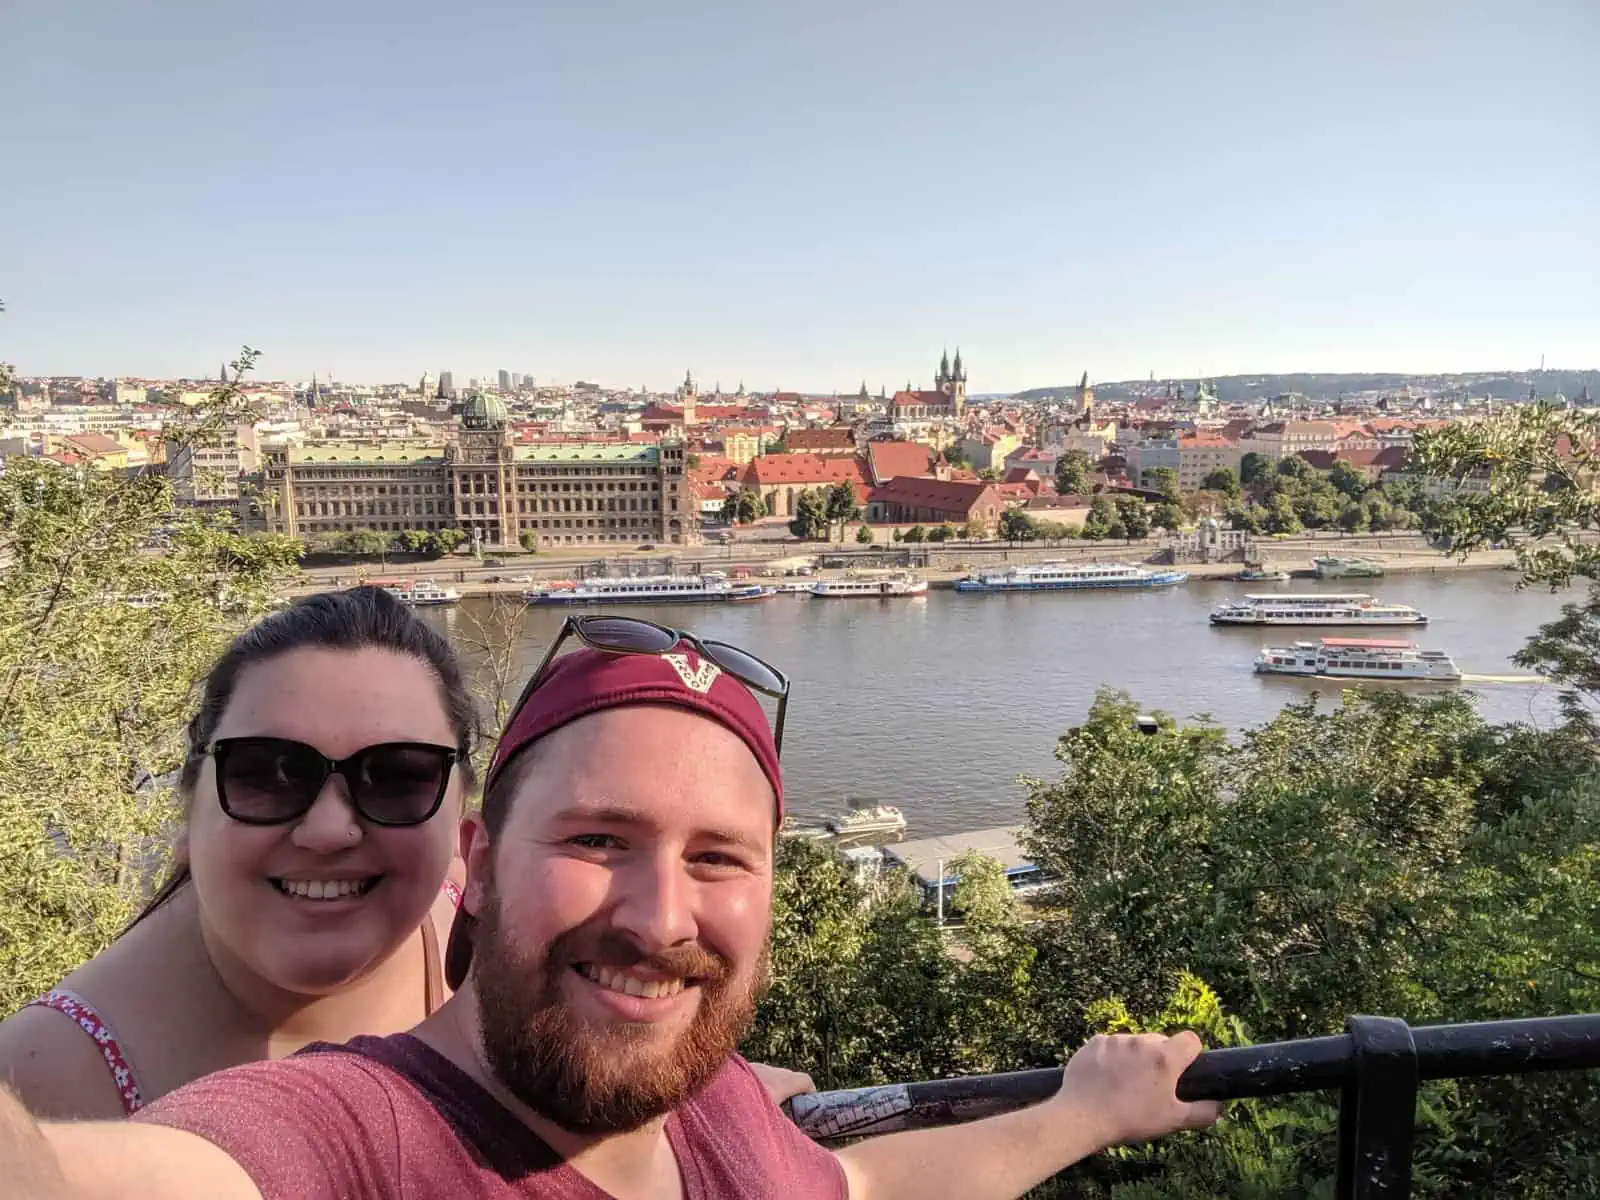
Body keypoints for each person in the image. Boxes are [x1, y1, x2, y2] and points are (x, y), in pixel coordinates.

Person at [2, 614, 1221, 1199]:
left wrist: (1083, 1112)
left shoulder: (716, 1109)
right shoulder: (351, 1130)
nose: (658, 916)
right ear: (481, 862)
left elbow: (872, 1191)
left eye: (719, 859)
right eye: (597, 840)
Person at [0, 586, 476, 1118]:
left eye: (396, 777)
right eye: (267, 775)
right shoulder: (35, 1096)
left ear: (461, 823)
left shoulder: (495, 928)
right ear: (189, 812)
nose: (327, 830)